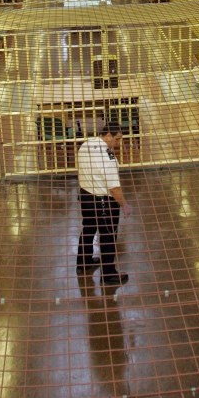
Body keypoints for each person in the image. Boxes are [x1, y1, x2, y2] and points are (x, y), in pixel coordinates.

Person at [76, 121, 130, 285]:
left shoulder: (86, 144)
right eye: (117, 139)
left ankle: (83, 263)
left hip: (85, 196)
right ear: (108, 135)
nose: (119, 143)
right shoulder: (108, 159)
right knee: (108, 235)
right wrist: (124, 205)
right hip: (103, 202)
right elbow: (114, 189)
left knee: (88, 228)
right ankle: (108, 275)